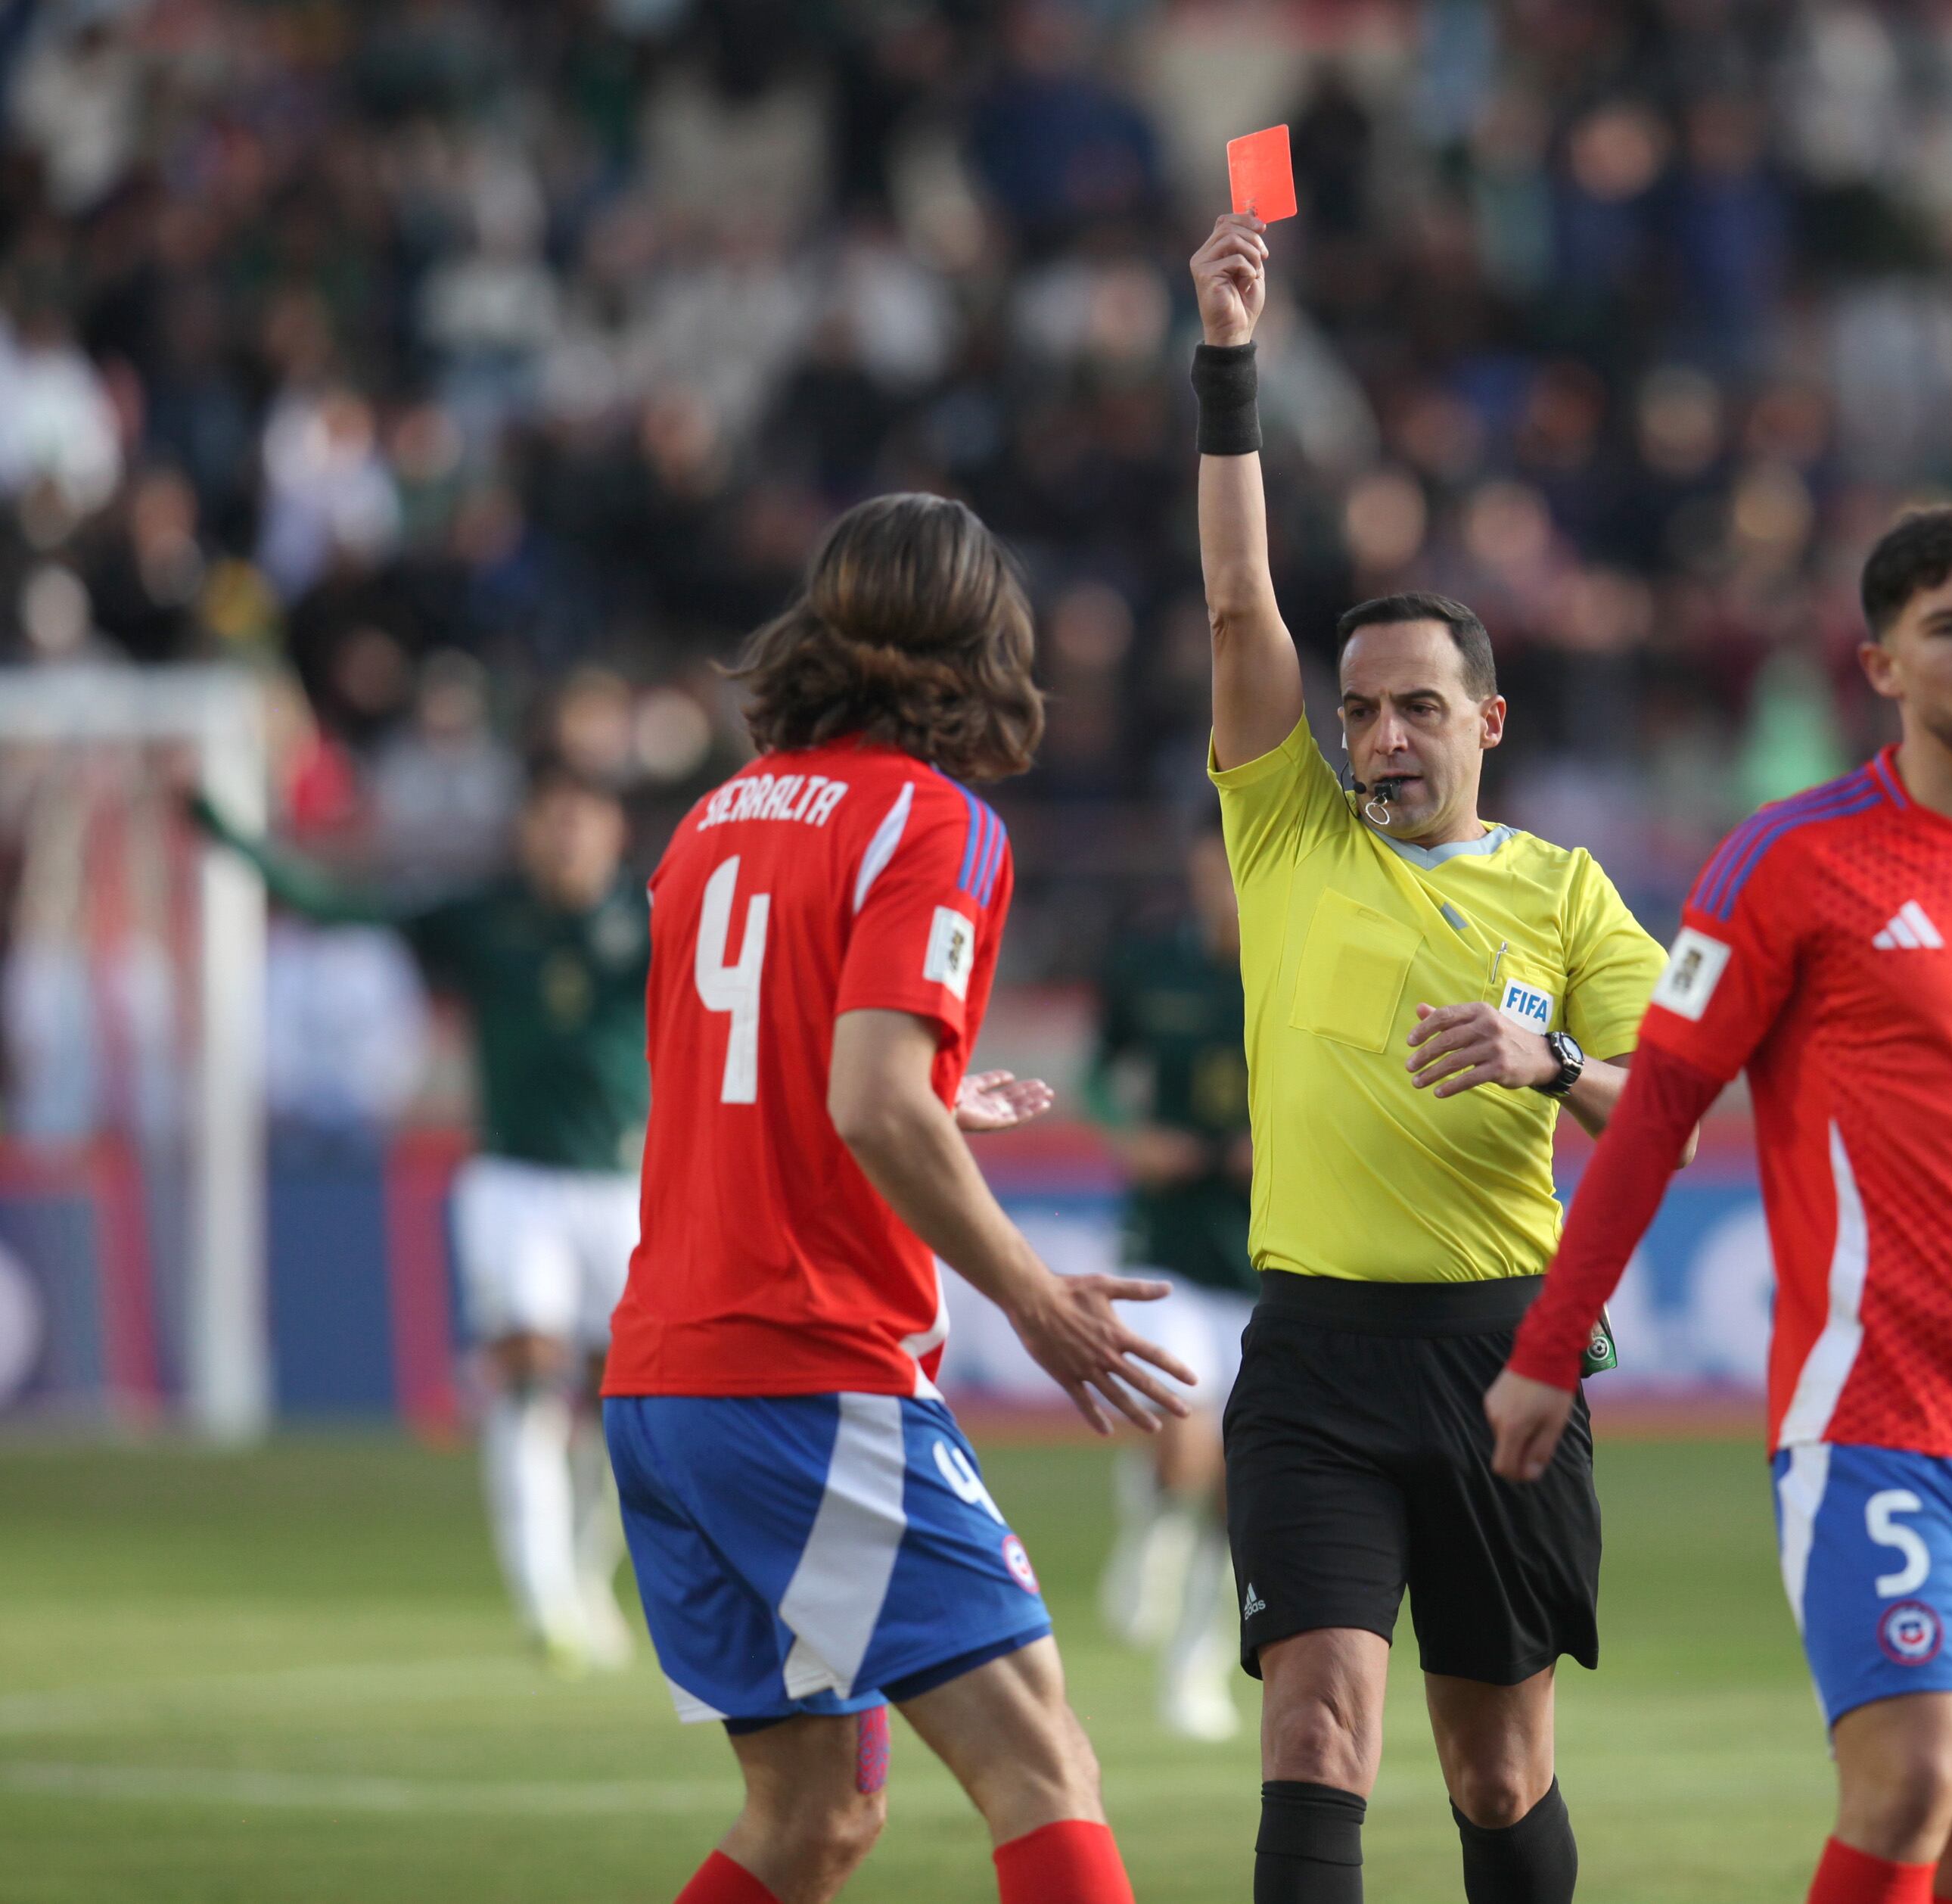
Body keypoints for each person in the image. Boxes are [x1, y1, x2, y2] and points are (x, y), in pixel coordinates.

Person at [1487, 504, 1952, 1904]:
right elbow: (1655, 1111)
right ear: (1883, 667)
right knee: (1910, 1778)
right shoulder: (1792, 861)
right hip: (1870, 1412)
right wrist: (1547, 1347)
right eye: (1948, 627)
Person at [605, 492, 1191, 1904]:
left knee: (813, 1818)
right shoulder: (936, 825)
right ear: (987, 640)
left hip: (664, 1380)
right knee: (1042, 1765)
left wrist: (928, 1094)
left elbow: (750, 1075)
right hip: (802, 1369)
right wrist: (1033, 1298)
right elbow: (868, 1103)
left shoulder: (711, 823)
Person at [1190, 212, 1677, 1904]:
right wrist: (1229, 363)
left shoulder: (1570, 894)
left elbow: (1676, 1110)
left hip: (1501, 1362)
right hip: (1312, 1357)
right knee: (1316, 1726)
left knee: (1496, 1768)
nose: (1377, 735)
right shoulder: (1286, 834)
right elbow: (1236, 596)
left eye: (1414, 707)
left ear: (1486, 720)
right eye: (1357, 708)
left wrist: (1549, 1064)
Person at [195, 761, 651, 1673]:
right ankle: (543, 1598)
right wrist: (229, 834)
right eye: (551, 817)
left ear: (613, 832)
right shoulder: (483, 916)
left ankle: (588, 1575)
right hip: (514, 1182)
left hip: (623, 1186)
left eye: (583, 818)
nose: (566, 835)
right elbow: (336, 906)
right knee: (528, 1378)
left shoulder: (651, 924)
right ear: (526, 830)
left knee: (630, 1405)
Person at [1088, 814, 1255, 1742]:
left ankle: (1197, 1661)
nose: (1219, 895)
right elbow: (1098, 1070)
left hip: (1269, 1254)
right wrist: (1132, 1136)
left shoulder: (1304, 963)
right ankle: (1149, 1517)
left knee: (1243, 1488)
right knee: (1182, 1438)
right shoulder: (1150, 963)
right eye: (1207, 875)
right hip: (1169, 1245)